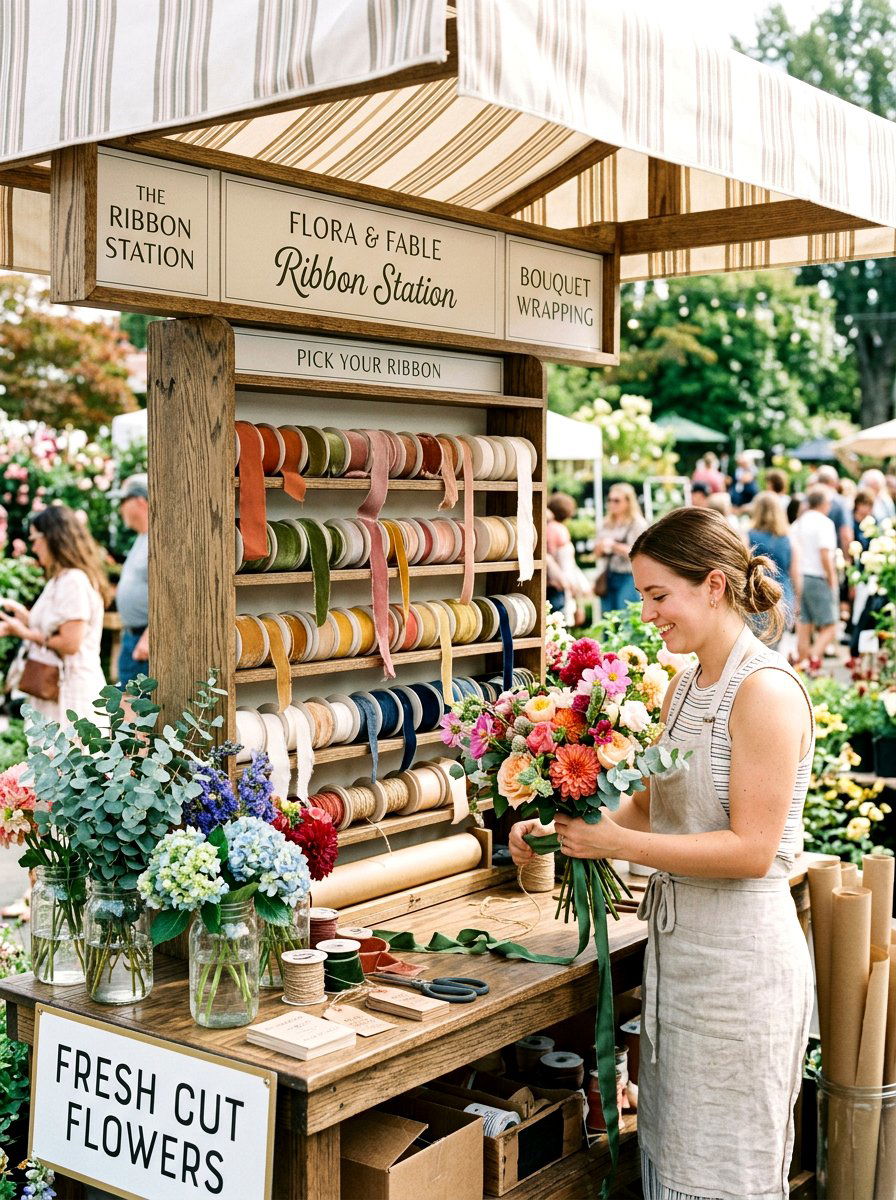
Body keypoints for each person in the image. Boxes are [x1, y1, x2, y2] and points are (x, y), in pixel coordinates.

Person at [510, 506, 813, 1200]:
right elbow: (649, 806)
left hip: (742, 970)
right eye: (642, 595)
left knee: (727, 1173)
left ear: (713, 585)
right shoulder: (683, 687)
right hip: (681, 956)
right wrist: (563, 828)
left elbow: (753, 850)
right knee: (673, 1160)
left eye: (657, 595)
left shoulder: (763, 692)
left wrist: (615, 844)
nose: (646, 613)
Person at [0, 505, 111, 725]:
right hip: (55, 687)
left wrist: (23, 633)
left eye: (35, 539)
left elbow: (70, 643)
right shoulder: (59, 579)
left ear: (51, 538)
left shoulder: (74, 581)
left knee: (70, 755)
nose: (33, 547)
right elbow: (52, 624)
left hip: (71, 691)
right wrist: (20, 614)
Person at [790, 487, 839, 673]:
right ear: (824, 504)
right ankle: (810, 660)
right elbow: (825, 554)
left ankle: (801, 665)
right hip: (817, 576)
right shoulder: (824, 523)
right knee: (831, 626)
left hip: (799, 576)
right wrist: (832, 578)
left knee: (805, 624)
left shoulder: (798, 523)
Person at [748, 493, 800, 647]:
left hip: (755, 597)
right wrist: (797, 601)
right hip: (782, 598)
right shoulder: (790, 540)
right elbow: (795, 574)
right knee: (773, 647)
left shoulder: (748, 536)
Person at [115, 474, 150, 686]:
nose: (120, 509)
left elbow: (168, 595)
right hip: (132, 638)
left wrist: (150, 637)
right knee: (128, 711)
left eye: (122, 501)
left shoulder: (158, 537)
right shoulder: (142, 537)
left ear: (139, 501)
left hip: (144, 641)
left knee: (139, 713)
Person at [594, 484, 647, 613]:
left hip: (629, 576)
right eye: (610, 500)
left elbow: (638, 553)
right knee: (608, 619)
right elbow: (596, 553)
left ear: (628, 502)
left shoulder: (637, 523)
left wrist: (613, 546)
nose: (612, 504)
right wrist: (601, 547)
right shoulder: (606, 523)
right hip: (609, 574)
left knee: (626, 617)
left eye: (617, 500)